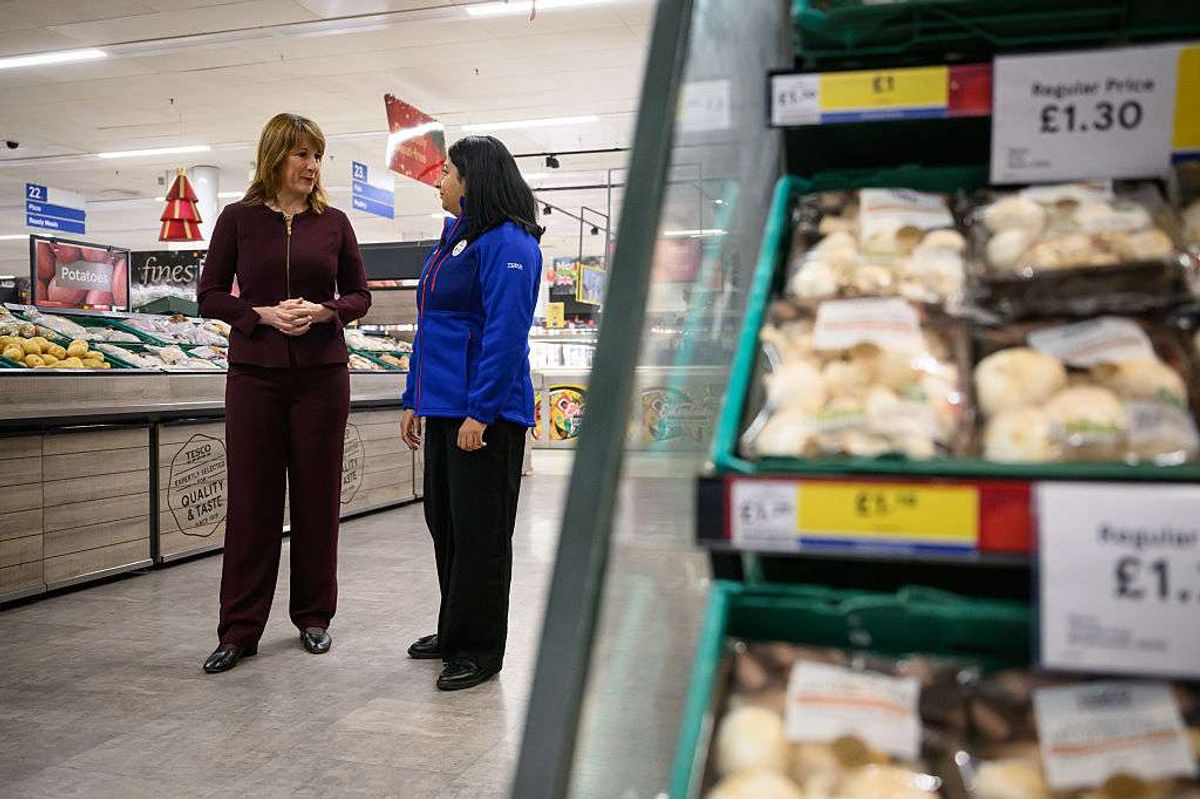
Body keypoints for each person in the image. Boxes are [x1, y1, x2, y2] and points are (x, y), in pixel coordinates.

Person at [197, 112, 371, 673]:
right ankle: (239, 630)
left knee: (318, 498)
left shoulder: (335, 222)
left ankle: (314, 618)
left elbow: (360, 295)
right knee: (252, 503)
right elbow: (209, 296)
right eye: (302, 154)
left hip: (323, 376)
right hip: (254, 377)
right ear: (275, 157)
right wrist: (260, 315)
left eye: (317, 155)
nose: (311, 165)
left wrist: (326, 311)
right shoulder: (238, 220)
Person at [400, 135, 542, 691]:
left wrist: (480, 412)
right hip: (444, 409)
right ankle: (455, 629)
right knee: (447, 524)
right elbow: (431, 324)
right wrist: (415, 397)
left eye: (450, 171)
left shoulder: (510, 243)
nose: (441, 179)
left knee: (482, 533)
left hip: (487, 416)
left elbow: (505, 336)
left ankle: (480, 649)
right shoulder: (456, 239)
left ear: (475, 180)